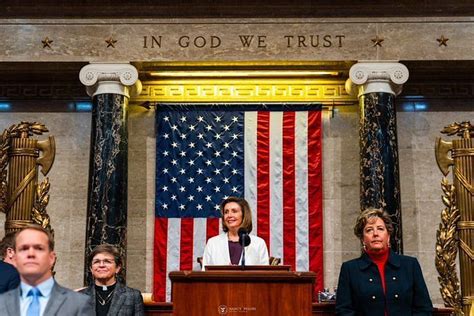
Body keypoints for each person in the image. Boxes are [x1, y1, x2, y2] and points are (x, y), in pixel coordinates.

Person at [335, 208, 433, 315]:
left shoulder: (410, 265)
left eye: (380, 229)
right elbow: (343, 311)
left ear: (388, 236)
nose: (375, 234)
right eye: (369, 230)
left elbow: (424, 309)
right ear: (363, 239)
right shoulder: (350, 269)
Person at [0, 225, 93, 315]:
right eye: (24, 248)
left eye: (39, 249)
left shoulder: (76, 304)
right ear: (12, 253)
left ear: (52, 258)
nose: (31, 254)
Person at [202, 196, 269, 269]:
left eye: (234, 211)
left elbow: (264, 275)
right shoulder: (213, 243)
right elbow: (204, 273)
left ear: (244, 215)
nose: (229, 215)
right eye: (226, 212)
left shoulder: (258, 243)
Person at [80, 244, 144, 316]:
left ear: (117, 268)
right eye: (96, 262)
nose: (101, 265)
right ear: (91, 269)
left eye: (107, 261)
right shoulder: (79, 296)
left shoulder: (132, 296)